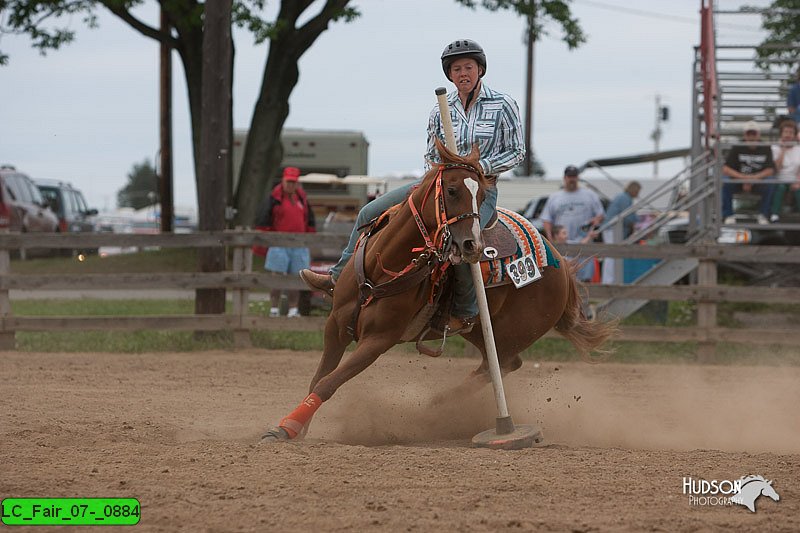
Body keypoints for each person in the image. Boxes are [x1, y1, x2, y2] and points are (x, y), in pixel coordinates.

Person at [299, 39, 524, 333]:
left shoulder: (502, 104)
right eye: (456, 69)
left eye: (468, 67)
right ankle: (338, 277)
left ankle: (466, 311)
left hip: (478, 189)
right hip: (438, 185)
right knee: (369, 212)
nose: (463, 73)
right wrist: (439, 175)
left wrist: (478, 168)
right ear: (450, 75)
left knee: (463, 240)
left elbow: (516, 151)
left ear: (480, 69)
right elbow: (431, 154)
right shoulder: (440, 110)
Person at [255, 167, 316, 318]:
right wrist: (264, 243)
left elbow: (309, 221)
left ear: (297, 183)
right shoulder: (274, 198)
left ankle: (293, 310)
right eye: (288, 181)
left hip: (299, 245)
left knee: (296, 278)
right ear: (283, 180)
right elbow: (264, 220)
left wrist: (309, 239)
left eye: (293, 182)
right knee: (277, 277)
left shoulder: (302, 199)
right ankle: (274, 309)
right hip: (278, 244)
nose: (291, 185)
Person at [721, 120, 775, 224]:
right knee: (725, 182)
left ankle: (763, 214)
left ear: (758, 135)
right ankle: (728, 214)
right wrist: (744, 179)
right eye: (749, 133)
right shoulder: (737, 147)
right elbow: (726, 169)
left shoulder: (766, 148)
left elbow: (770, 170)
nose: (751, 137)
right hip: (739, 181)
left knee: (771, 182)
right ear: (744, 135)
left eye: (753, 133)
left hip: (758, 181)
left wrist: (752, 179)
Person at [541, 165, 605, 244]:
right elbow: (546, 219)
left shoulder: (590, 195)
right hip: (562, 244)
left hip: (585, 242)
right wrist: (550, 239)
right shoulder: (554, 197)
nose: (572, 179)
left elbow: (600, 215)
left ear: (578, 177)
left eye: (574, 176)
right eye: (569, 176)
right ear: (564, 178)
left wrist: (596, 221)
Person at [601, 181, 641, 284]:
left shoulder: (623, 197)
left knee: (611, 256)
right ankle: (609, 281)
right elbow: (629, 216)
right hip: (612, 230)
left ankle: (609, 280)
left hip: (611, 229)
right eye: (638, 191)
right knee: (612, 256)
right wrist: (640, 221)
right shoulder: (625, 198)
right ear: (634, 190)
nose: (638, 194)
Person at [769, 120, 800, 221]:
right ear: (781, 134)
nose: (788, 135)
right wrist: (782, 150)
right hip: (779, 179)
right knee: (780, 187)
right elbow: (777, 169)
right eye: (785, 132)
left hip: (795, 180)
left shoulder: (798, 149)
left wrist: (798, 182)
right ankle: (775, 214)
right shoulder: (774, 148)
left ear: (795, 135)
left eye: (791, 133)